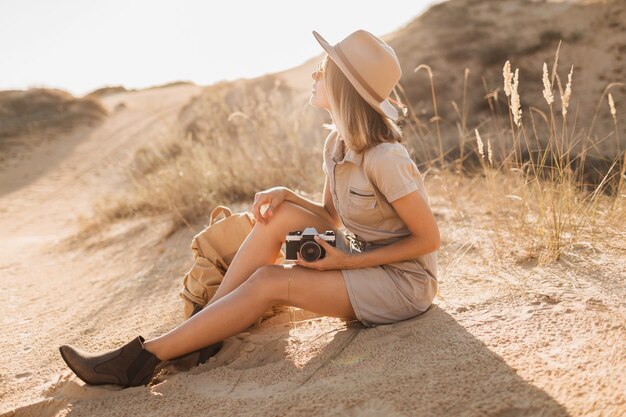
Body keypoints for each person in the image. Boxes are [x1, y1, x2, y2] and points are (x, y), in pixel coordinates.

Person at [58, 29, 440, 389]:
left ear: (341, 85)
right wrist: (287, 194)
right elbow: (330, 217)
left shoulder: (386, 158)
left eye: (321, 69)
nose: (312, 72)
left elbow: (428, 239)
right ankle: (205, 329)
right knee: (282, 214)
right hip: (365, 261)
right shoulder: (336, 145)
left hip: (402, 285)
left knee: (268, 281)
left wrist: (345, 262)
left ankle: (139, 360)